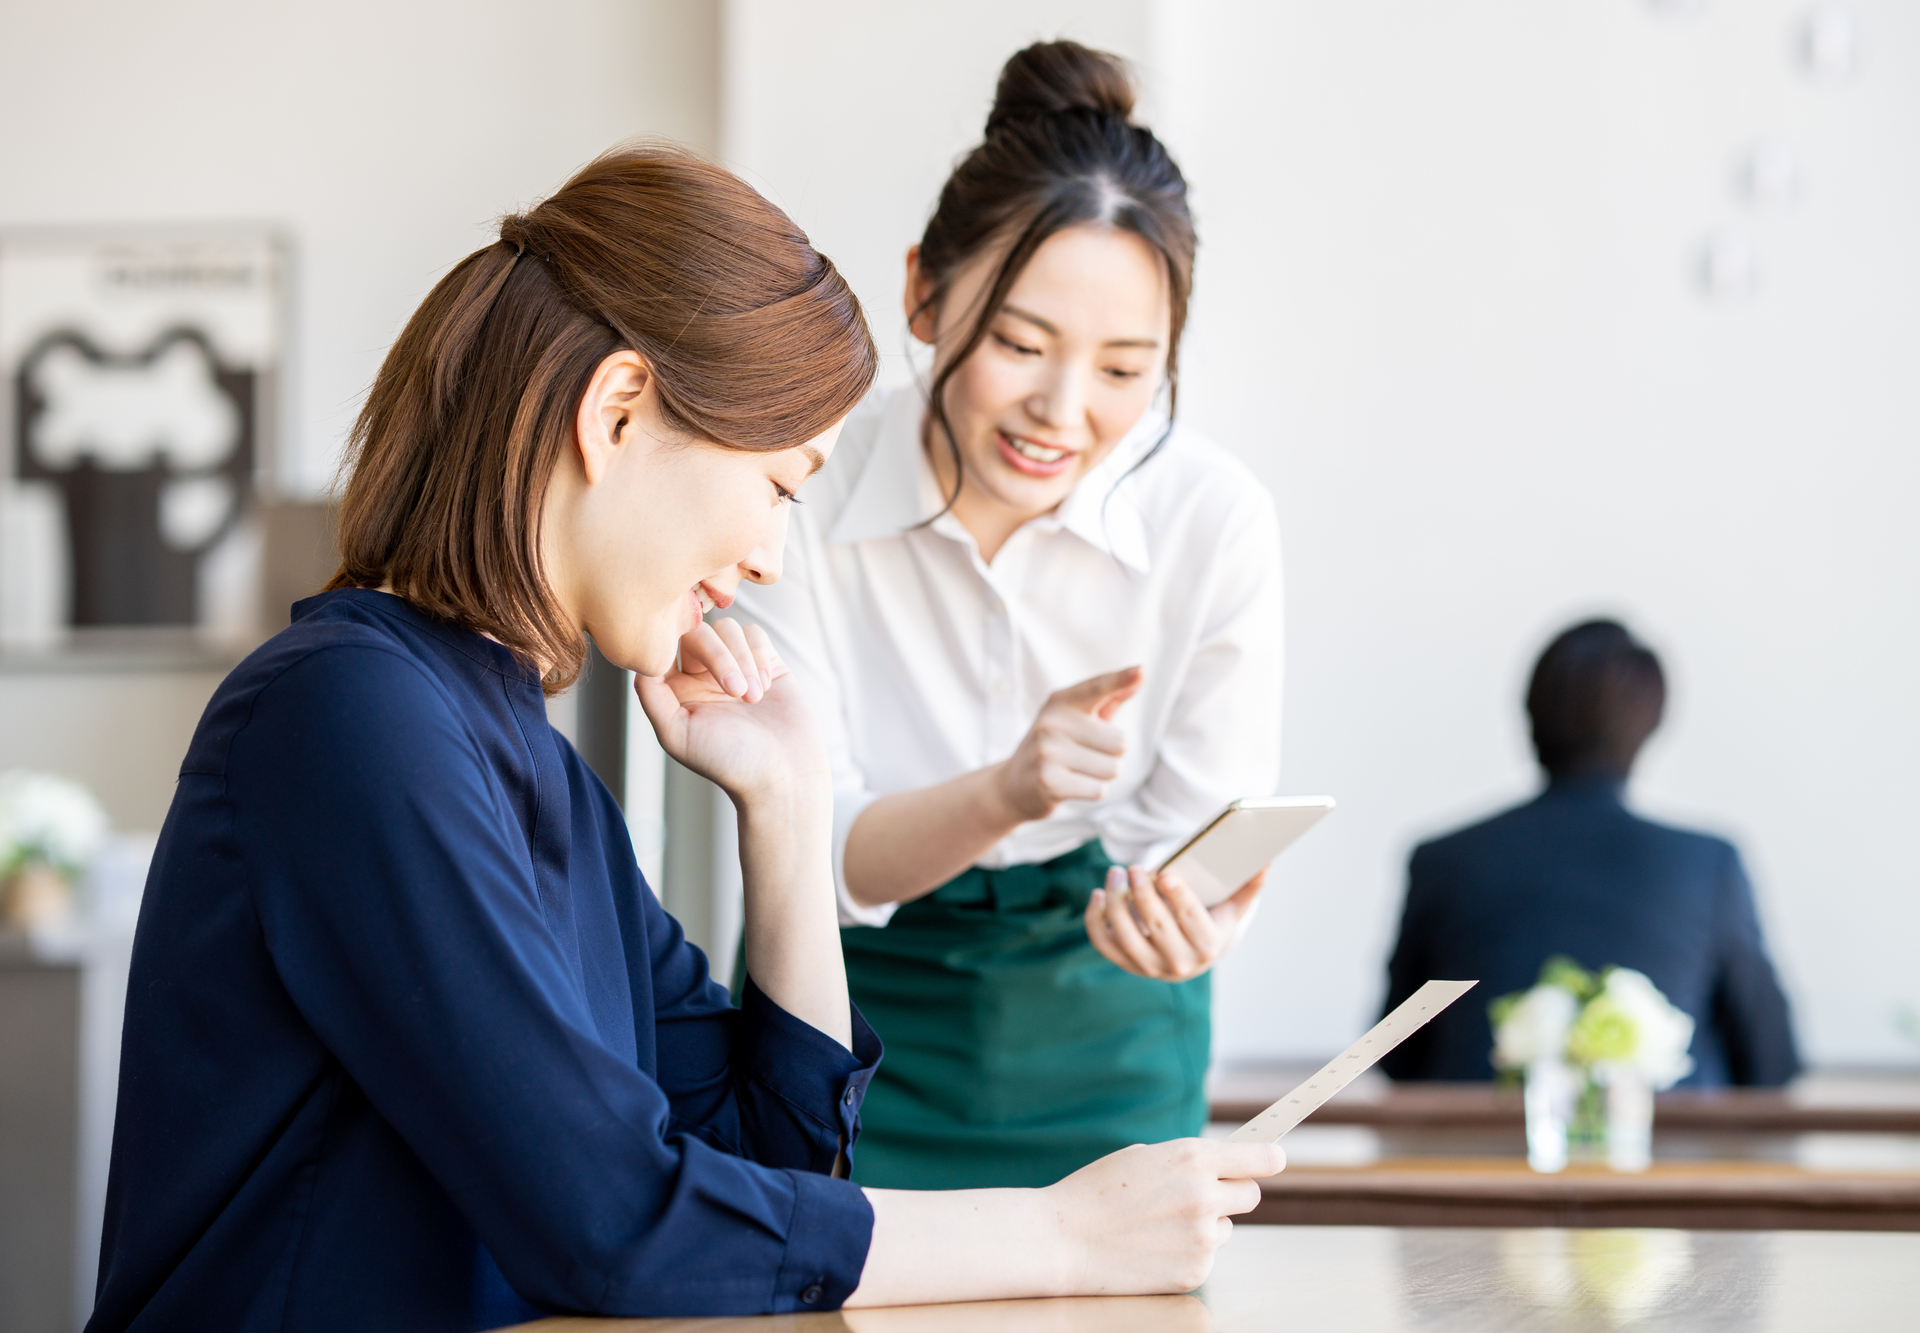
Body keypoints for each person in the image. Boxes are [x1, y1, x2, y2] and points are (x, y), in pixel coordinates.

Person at [86, 147, 1283, 1332]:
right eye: (776, 485)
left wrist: (791, 805)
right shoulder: (347, 716)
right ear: (615, 412)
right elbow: (611, 1223)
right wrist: (1059, 1235)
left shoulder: (534, 766)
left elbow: (770, 1177)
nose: (768, 555)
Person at [733, 42, 1284, 1189]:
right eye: (1021, 345)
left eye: (1126, 370)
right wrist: (1011, 788)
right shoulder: (799, 484)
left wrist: (1198, 920)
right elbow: (817, 848)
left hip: (1109, 1022)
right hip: (843, 1007)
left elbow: (1191, 850)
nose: (1063, 410)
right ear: (922, 296)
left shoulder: (1211, 521)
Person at [1380, 619, 1801, 1087]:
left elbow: (1396, 1056)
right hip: (1669, 1155)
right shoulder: (1708, 865)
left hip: (1467, 1156)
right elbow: (1772, 1061)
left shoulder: (1444, 859)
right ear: (1652, 724)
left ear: (1529, 713)